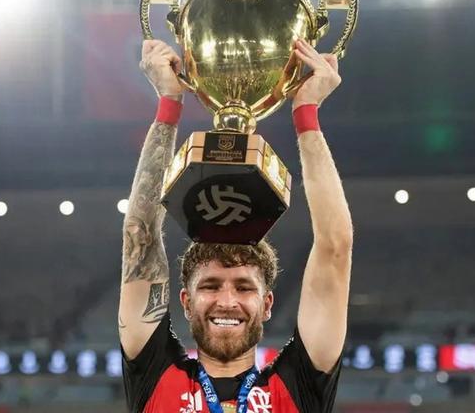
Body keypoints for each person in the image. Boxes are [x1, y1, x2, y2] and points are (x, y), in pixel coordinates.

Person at [119, 38, 353, 413]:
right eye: (210, 286)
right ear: (186, 301)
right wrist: (169, 102)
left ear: (267, 305)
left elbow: (335, 246)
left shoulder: (298, 387)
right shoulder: (155, 374)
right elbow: (140, 235)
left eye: (244, 288)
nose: (227, 301)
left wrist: (306, 113)